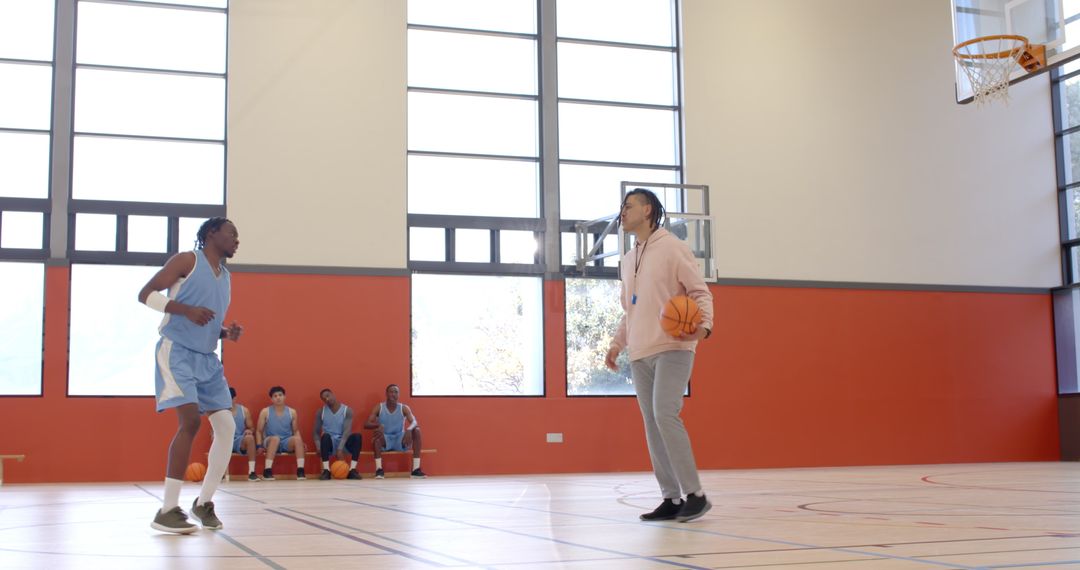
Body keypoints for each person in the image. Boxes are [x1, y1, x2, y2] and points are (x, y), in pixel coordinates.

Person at [604, 188, 714, 523]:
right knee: (652, 424)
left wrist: (704, 327)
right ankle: (671, 497)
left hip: (673, 347)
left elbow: (699, 292)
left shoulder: (673, 247)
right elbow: (631, 310)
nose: (622, 212)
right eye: (622, 207)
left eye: (629, 206)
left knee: (665, 414)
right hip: (640, 352)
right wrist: (617, 344)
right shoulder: (628, 259)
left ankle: (696, 495)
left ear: (648, 210)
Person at [138, 216, 243, 534]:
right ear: (211, 233)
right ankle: (167, 510)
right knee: (191, 422)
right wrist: (185, 310)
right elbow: (145, 294)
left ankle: (204, 502)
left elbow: (206, 321)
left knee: (227, 426)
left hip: (207, 360)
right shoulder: (188, 261)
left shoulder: (225, 277)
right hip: (177, 353)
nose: (236, 240)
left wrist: (225, 333)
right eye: (232, 234)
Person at [364, 384, 426, 479]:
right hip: (385, 439)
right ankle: (379, 470)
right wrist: (378, 425)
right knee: (376, 439)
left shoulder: (403, 408)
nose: (393, 394)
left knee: (416, 430)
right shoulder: (379, 407)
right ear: (386, 394)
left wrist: (409, 429)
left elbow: (414, 422)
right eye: (391, 392)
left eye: (396, 392)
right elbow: (366, 424)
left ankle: (416, 470)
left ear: (399, 394)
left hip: (399, 438)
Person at [256, 386, 306, 480]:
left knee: (297, 439)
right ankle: (267, 471)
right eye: (275, 396)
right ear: (271, 399)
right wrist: (259, 445)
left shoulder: (292, 412)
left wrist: (300, 443)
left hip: (286, 441)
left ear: (284, 397)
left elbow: (295, 431)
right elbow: (259, 430)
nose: (278, 397)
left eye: (280, 395)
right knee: (275, 439)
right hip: (270, 440)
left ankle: (300, 470)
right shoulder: (265, 411)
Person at [313, 388, 363, 480]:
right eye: (324, 399)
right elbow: (316, 432)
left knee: (357, 437)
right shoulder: (321, 412)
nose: (327, 399)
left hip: (343, 442)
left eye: (328, 396)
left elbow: (347, 431)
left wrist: (340, 449)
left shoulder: (347, 410)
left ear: (332, 394)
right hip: (329, 443)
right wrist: (318, 447)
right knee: (325, 436)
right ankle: (326, 471)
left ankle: (352, 470)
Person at [229, 387, 259, 481]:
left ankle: (252, 472)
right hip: (225, 440)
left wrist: (249, 430)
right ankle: (219, 472)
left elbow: (252, 428)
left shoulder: (244, 411)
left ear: (234, 398)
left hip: (239, 440)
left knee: (250, 438)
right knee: (217, 439)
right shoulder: (220, 411)